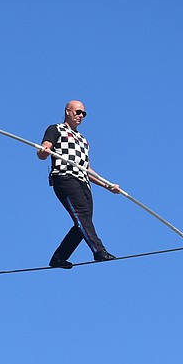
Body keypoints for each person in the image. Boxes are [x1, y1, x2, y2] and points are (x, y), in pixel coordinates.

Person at [37, 100, 120, 269]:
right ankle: (98, 250)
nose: (81, 116)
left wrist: (107, 185)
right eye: (78, 112)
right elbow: (44, 150)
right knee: (82, 216)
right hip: (65, 178)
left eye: (83, 113)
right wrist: (43, 151)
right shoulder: (56, 129)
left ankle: (59, 257)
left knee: (84, 221)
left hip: (83, 183)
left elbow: (86, 168)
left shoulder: (83, 140)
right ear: (68, 111)